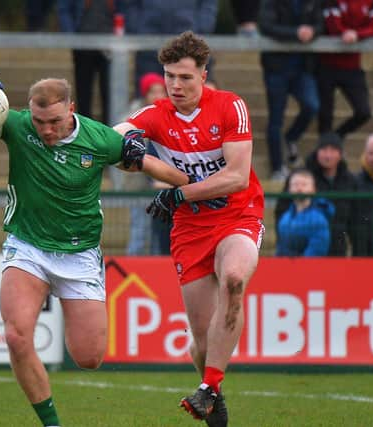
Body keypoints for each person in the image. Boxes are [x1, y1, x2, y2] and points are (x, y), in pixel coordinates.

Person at [0, 69, 189, 427]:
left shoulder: (99, 138)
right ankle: (52, 424)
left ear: (71, 108)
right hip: (28, 247)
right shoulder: (17, 125)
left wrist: (195, 187)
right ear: (30, 112)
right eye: (40, 121)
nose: (46, 130)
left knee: (89, 357)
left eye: (55, 121)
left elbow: (151, 166)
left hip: (80, 254)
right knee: (16, 335)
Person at [115, 31, 264, 426]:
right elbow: (113, 135)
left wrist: (179, 195)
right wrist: (126, 145)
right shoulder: (156, 115)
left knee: (234, 277)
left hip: (238, 215)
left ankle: (209, 386)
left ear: (204, 75)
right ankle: (212, 389)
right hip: (191, 231)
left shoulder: (231, 106)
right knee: (202, 343)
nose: (176, 85)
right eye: (169, 76)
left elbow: (236, 177)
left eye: (185, 77)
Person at [258, 0, 323, 180]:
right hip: (276, 68)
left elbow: (321, 24)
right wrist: (295, 33)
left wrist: (313, 31)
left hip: (302, 68)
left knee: (312, 106)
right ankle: (277, 167)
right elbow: (265, 26)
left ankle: (291, 137)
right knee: (275, 119)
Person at [275, 132, 356, 256]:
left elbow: (356, 218)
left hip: (337, 249)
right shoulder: (301, 177)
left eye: (333, 150)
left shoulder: (349, 180)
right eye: (324, 150)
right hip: (300, 252)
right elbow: (282, 209)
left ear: (340, 154)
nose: (328, 155)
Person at [118, 72, 169, 255]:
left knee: (159, 234)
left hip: (163, 185)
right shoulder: (133, 117)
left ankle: (157, 272)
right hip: (139, 184)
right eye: (152, 91)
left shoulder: (169, 114)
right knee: (139, 230)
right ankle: (133, 266)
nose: (157, 95)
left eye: (161, 91)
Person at [317, 1, 373, 141]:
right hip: (327, 66)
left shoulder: (371, 2)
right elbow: (334, 26)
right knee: (325, 115)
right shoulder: (332, 2)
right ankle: (324, 149)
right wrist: (346, 33)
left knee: (363, 112)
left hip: (352, 67)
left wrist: (357, 34)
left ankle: (335, 138)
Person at [126, 0, 220, 94]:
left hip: (189, 48)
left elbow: (208, 4)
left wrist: (202, 28)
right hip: (149, 48)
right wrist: (138, 29)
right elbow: (130, 5)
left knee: (193, 97)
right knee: (152, 95)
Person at [58, 0, 123, 124]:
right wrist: (71, 36)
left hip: (110, 43)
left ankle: (110, 129)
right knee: (83, 92)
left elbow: (124, 9)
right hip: (83, 43)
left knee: (110, 90)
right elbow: (64, 10)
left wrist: (121, 32)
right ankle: (84, 129)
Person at [276, 169, 334, 256]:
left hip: (310, 268)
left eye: (304, 184)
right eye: (295, 184)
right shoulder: (285, 217)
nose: (299, 188)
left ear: (313, 189)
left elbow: (316, 253)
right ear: (289, 189)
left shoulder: (319, 219)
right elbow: (281, 249)